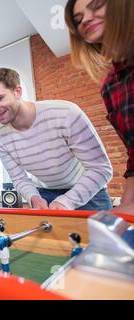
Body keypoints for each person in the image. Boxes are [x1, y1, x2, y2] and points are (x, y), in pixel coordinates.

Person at [0, 67, 113, 211]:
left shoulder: (66, 114)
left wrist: (66, 201)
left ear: (17, 91)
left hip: (88, 190)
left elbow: (101, 169)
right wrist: (33, 198)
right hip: (44, 194)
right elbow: (19, 178)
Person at [65, 0, 134, 209]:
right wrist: (127, 205)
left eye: (96, 6)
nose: (85, 19)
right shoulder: (110, 85)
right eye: (78, 20)